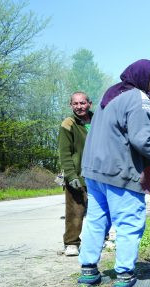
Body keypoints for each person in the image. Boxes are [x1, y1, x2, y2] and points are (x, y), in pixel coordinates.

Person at [77, 59, 150, 287]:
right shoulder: (138, 98)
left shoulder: (112, 93)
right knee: (129, 221)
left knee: (97, 220)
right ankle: (125, 278)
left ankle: (88, 272)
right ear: (140, 78)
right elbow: (143, 140)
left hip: (94, 170)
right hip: (118, 170)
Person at [58, 92, 92, 256]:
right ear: (71, 105)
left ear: (89, 104)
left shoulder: (98, 121)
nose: (79, 107)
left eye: (82, 103)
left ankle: (103, 238)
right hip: (77, 174)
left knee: (99, 210)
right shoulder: (68, 124)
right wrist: (71, 176)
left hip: (98, 174)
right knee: (75, 211)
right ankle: (71, 243)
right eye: (76, 104)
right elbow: (64, 153)